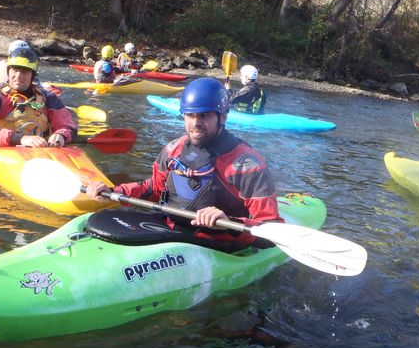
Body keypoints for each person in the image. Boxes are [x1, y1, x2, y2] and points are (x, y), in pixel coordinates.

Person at [86, 77, 281, 241]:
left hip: (218, 242)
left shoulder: (246, 164)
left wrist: (229, 222)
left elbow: (270, 227)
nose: (195, 123)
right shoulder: (174, 149)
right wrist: (113, 191)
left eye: (204, 116)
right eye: (190, 115)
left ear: (222, 117)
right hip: (171, 230)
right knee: (94, 223)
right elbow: (153, 189)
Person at [0, 47, 77, 148]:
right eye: (14, 70)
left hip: (42, 150)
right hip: (7, 150)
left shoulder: (49, 98)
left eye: (24, 72)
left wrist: (61, 135)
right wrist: (20, 138)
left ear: (32, 75)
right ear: (8, 72)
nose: (18, 76)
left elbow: (68, 126)